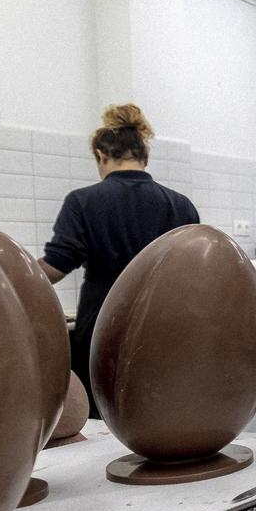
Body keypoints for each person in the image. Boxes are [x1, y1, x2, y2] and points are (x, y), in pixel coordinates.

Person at [40, 103, 200, 413]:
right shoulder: (181, 205)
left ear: (101, 156)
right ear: (145, 157)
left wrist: (4, 271)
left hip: (103, 328)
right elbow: (192, 274)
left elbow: (56, 267)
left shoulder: (83, 201)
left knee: (105, 418)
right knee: (159, 412)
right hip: (163, 329)